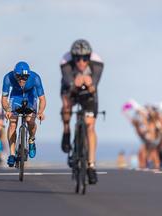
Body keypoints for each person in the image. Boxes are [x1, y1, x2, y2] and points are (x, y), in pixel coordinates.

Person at [60, 39, 103, 184]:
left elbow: (94, 86)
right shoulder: (65, 61)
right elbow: (67, 81)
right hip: (70, 88)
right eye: (77, 58)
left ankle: (91, 165)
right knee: (67, 105)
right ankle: (66, 130)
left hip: (88, 92)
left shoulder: (97, 62)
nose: (81, 62)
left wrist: (89, 84)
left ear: (89, 57)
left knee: (90, 126)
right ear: (72, 57)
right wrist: (74, 83)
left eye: (85, 58)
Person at [2, 61, 46, 167]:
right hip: (16, 96)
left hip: (30, 96)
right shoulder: (8, 78)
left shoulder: (35, 78)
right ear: (14, 75)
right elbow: (4, 99)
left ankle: (31, 139)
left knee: (30, 120)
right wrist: (7, 109)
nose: (22, 80)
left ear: (28, 75)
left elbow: (42, 99)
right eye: (19, 77)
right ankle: (12, 154)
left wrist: (40, 112)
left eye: (25, 77)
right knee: (12, 122)